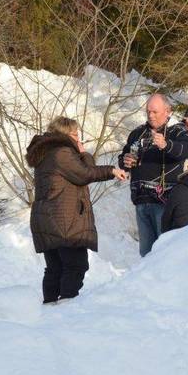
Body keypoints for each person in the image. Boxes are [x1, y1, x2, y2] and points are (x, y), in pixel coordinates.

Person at [26, 116, 128, 303]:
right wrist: (111, 170)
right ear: (64, 135)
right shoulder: (62, 152)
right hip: (64, 220)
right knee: (76, 265)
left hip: (48, 219)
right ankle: (66, 305)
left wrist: (82, 155)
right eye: (74, 134)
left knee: (55, 267)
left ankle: (49, 307)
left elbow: (80, 171)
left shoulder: (46, 153)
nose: (78, 138)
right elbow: (84, 174)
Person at [119, 93, 188, 256]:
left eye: (155, 112)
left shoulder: (178, 131)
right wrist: (125, 161)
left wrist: (167, 145)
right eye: (148, 112)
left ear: (167, 111)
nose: (151, 115)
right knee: (146, 253)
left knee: (164, 251)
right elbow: (123, 157)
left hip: (165, 201)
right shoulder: (137, 133)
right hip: (141, 199)